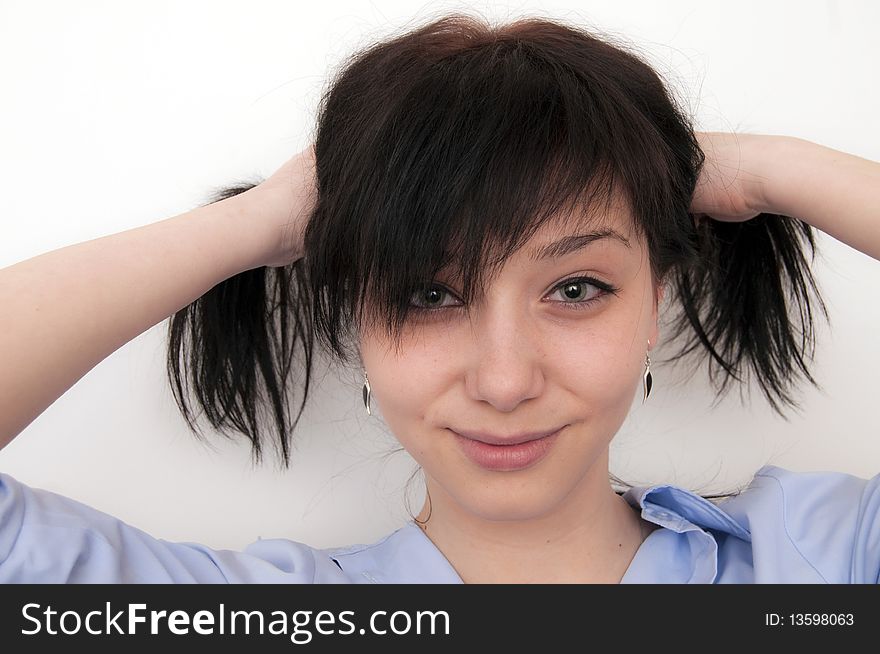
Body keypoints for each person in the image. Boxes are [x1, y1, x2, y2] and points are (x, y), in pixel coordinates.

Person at [1, 14, 878, 584]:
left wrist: (765, 168)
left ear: (656, 299)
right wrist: (261, 223)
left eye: (577, 287)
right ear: (356, 315)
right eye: (427, 292)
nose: (504, 380)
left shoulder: (821, 565)